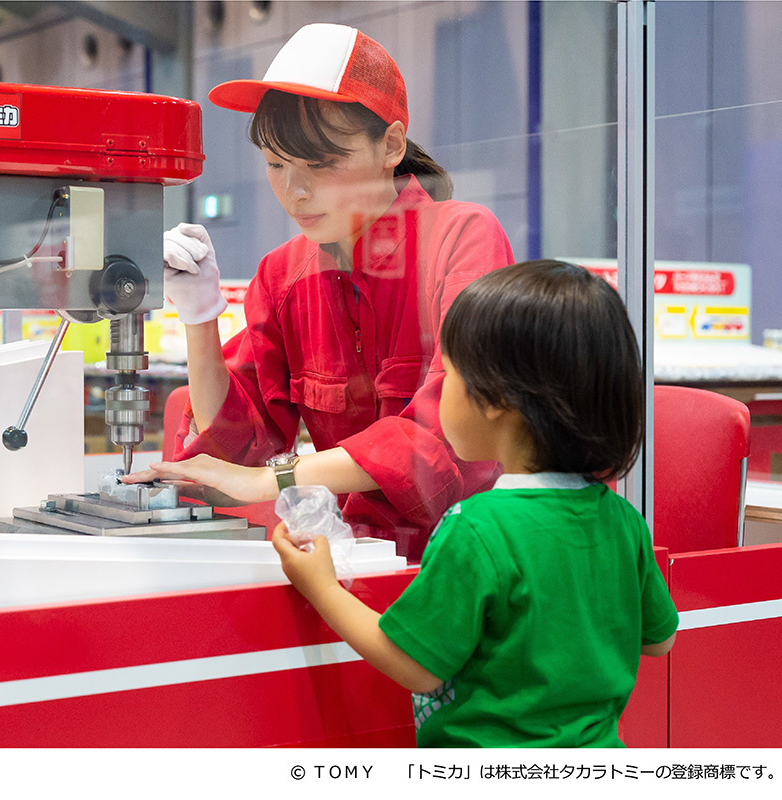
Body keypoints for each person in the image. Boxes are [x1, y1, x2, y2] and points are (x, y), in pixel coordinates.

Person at [124, 23, 515, 560]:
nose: (295, 191)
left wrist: (273, 483)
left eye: (322, 163)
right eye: (276, 164)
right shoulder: (282, 276)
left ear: (392, 145)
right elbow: (241, 445)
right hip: (352, 561)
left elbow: (447, 438)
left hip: (475, 564)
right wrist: (200, 315)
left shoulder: (463, 238)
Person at [272, 260, 679, 748]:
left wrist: (320, 587)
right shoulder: (622, 521)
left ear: (495, 399)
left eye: (450, 375)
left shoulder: (477, 528)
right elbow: (660, 639)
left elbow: (415, 665)